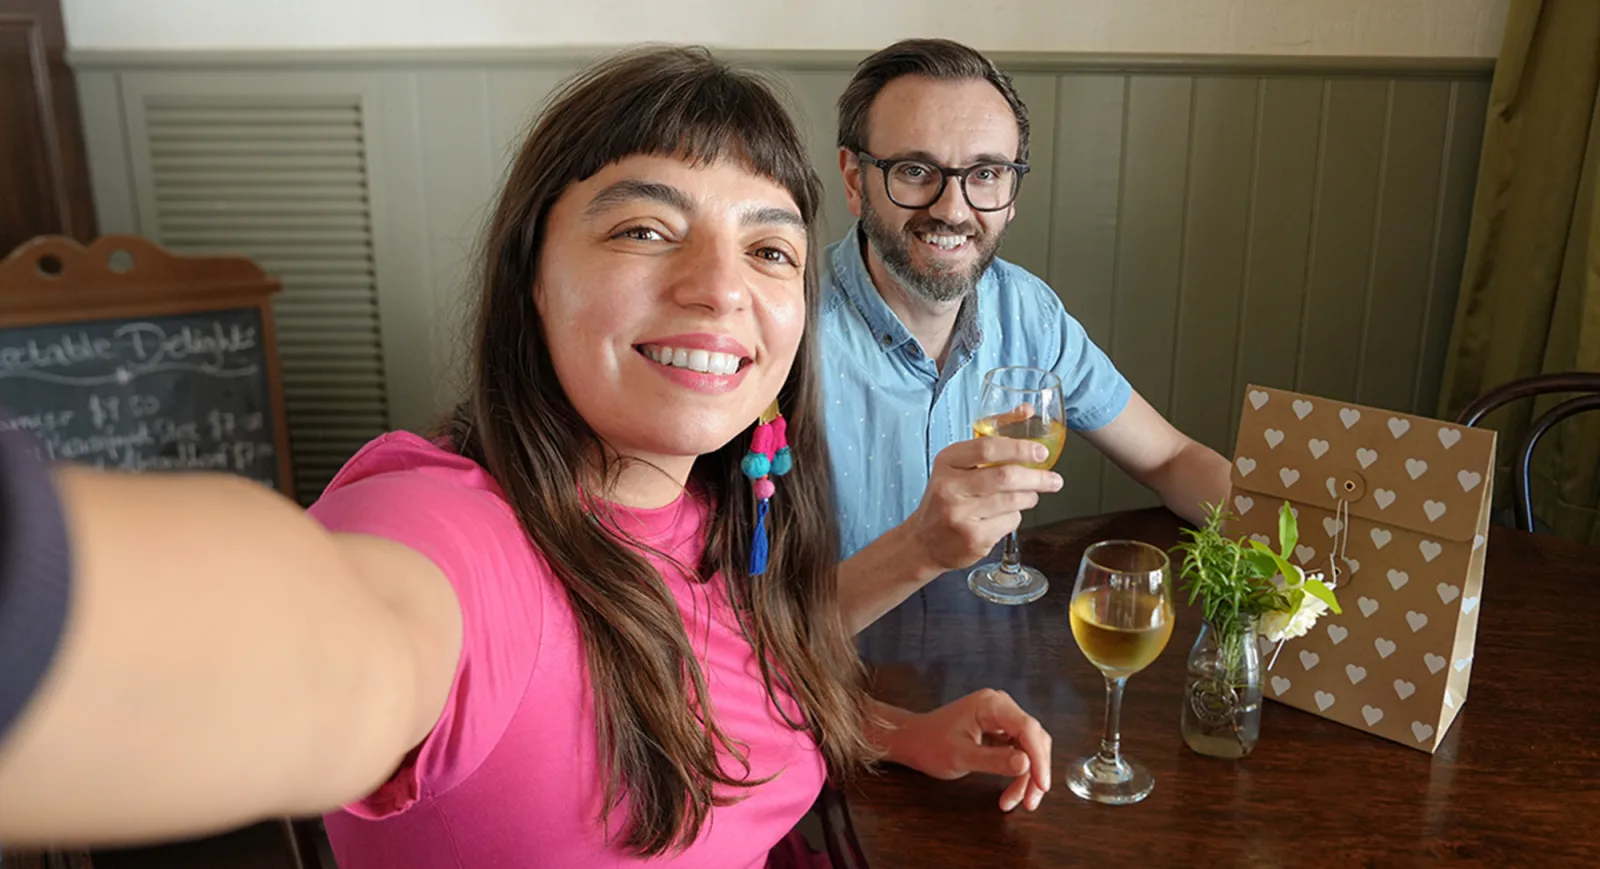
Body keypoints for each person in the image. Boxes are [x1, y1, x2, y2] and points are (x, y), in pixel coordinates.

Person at [0, 47, 1053, 868]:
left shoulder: (717, 504)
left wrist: (880, 727)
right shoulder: (448, 533)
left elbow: (721, 664)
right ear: (532, 282)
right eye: (645, 229)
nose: (721, 286)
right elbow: (316, 636)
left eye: (768, 248)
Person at [826, 39, 1233, 629]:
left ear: (1011, 192)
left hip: (986, 670)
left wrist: (1298, 551)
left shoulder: (1027, 310)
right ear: (855, 179)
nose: (954, 209)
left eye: (986, 174)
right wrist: (919, 550)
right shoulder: (778, 331)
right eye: (915, 172)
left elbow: (1171, 458)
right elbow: (729, 630)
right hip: (815, 686)